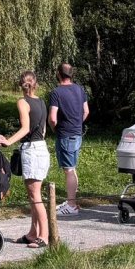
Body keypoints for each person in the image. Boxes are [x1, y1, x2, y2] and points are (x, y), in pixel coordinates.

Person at [0, 70, 50, 248]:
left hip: (32, 150)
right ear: (35, 84)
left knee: (35, 196)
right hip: (42, 148)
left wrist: (8, 141)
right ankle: (32, 233)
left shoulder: (22, 102)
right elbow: (43, 130)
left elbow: (25, 128)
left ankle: (44, 236)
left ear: (21, 84)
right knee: (33, 194)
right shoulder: (42, 102)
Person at [47, 62, 89, 215]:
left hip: (65, 134)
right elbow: (86, 111)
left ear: (59, 74)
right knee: (72, 167)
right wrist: (77, 123)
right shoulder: (80, 89)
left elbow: (52, 118)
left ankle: (71, 205)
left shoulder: (56, 93)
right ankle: (73, 202)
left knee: (69, 170)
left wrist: (54, 128)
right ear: (72, 74)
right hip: (77, 133)